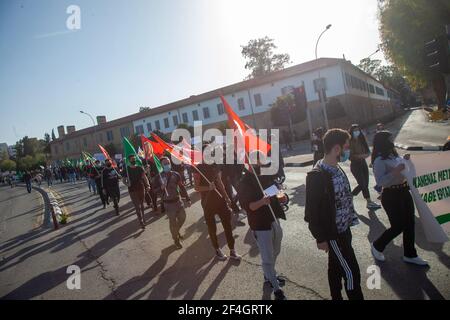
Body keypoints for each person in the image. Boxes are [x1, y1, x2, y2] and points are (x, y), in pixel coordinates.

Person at [304, 128, 364, 300]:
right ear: (337, 149)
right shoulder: (317, 176)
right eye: (346, 147)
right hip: (334, 234)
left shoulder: (337, 168)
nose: (348, 150)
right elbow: (311, 212)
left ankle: (335, 296)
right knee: (352, 272)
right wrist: (320, 238)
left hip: (345, 230)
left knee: (335, 266)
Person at [370, 131, 428, 266]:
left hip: (404, 192)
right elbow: (381, 182)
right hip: (391, 196)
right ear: (384, 142)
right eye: (390, 139)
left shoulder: (393, 155)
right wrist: (395, 171)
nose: (393, 140)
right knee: (398, 226)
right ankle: (377, 246)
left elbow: (402, 167)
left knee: (409, 224)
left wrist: (405, 160)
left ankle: (410, 254)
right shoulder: (379, 160)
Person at [238, 151, 288, 300]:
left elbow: (277, 191)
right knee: (267, 257)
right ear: (253, 162)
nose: (264, 161)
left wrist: (282, 197)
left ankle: (269, 274)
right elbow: (249, 207)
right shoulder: (244, 182)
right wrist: (262, 202)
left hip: (273, 219)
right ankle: (276, 288)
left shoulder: (266, 175)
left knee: (275, 250)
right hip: (260, 224)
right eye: (261, 159)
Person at [194, 144, 241, 260]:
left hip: (220, 200)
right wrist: (208, 188)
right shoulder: (197, 168)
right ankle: (217, 249)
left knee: (227, 225)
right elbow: (196, 187)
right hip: (207, 202)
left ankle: (232, 250)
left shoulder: (215, 166)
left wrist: (227, 198)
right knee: (212, 228)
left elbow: (220, 183)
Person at [153, 157, 191, 249]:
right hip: (168, 204)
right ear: (161, 165)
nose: (167, 165)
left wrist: (187, 198)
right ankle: (176, 239)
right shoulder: (158, 177)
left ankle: (176, 231)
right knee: (172, 222)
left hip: (178, 201)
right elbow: (154, 190)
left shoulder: (176, 174)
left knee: (183, 218)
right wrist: (161, 187)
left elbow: (182, 187)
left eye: (168, 163)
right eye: (165, 164)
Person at [348, 124, 381, 210]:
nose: (357, 132)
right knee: (363, 184)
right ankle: (369, 202)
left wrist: (363, 155)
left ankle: (351, 195)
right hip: (355, 165)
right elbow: (350, 156)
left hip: (363, 163)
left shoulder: (361, 140)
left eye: (358, 130)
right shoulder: (349, 142)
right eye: (355, 130)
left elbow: (368, 152)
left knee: (365, 183)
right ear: (351, 131)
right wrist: (361, 156)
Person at [123, 155, 150, 229]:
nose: (133, 160)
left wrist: (147, 185)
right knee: (137, 206)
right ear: (129, 160)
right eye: (132, 159)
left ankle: (143, 218)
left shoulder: (139, 168)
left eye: (134, 159)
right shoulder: (126, 169)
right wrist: (127, 184)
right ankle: (141, 220)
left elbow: (144, 177)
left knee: (142, 205)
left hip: (141, 188)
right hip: (132, 190)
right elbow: (123, 180)